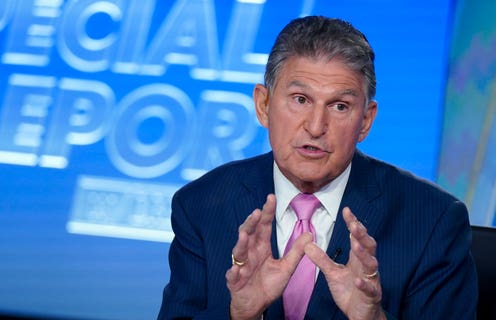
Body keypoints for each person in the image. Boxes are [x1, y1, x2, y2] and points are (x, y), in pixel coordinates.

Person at [157, 15, 478, 319]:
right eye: (300, 99)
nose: (315, 126)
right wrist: (239, 314)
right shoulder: (201, 204)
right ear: (263, 105)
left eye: (340, 106)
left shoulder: (432, 221)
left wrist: (371, 317)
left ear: (365, 121)